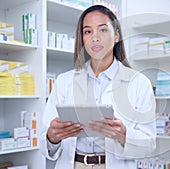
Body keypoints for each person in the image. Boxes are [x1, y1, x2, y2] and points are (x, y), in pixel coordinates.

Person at [40, 5, 156, 169]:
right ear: (82, 39)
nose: (95, 37)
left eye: (102, 30)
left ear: (116, 35)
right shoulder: (64, 81)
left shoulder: (138, 83)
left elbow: (149, 144)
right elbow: (46, 143)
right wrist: (52, 137)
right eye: (88, 31)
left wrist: (123, 135)